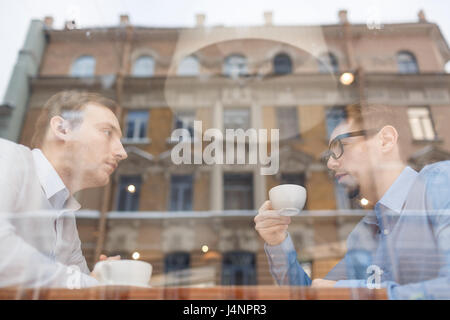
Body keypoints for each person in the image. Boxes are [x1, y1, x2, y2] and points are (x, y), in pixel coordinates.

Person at [255, 104, 450, 299]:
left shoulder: (440, 183)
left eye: (341, 147)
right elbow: (315, 293)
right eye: (329, 155)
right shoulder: (363, 234)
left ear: (385, 140)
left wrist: (353, 293)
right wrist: (277, 242)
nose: (331, 164)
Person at [0, 90, 128, 288]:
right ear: (62, 129)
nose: (122, 152)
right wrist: (92, 285)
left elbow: (77, 286)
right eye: (107, 132)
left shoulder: (66, 216)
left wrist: (98, 278)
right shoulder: (6, 158)